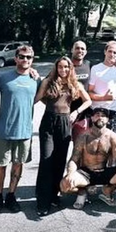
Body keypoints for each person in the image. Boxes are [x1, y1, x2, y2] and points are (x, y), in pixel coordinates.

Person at [34, 56, 91, 216]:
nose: (63, 70)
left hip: (65, 122)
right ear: (56, 68)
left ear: (70, 68)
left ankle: (54, 195)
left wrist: (76, 112)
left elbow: (88, 101)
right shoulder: (48, 82)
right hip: (49, 122)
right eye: (60, 67)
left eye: (66, 67)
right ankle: (42, 201)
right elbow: (36, 99)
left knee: (59, 161)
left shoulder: (75, 84)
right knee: (47, 160)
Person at [0, 45, 40, 215]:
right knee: (0, 165)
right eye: (22, 56)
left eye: (29, 57)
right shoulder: (3, 78)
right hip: (3, 130)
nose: (25, 60)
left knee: (18, 165)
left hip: (24, 132)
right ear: (15, 58)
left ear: (32, 60)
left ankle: (11, 195)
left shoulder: (36, 80)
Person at [60, 107, 116, 210]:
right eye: (97, 115)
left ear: (107, 120)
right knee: (64, 185)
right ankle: (82, 191)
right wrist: (70, 174)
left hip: (104, 172)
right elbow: (74, 159)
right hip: (86, 173)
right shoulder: (83, 136)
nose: (100, 117)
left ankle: (108, 190)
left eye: (103, 116)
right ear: (92, 118)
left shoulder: (112, 136)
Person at [88, 41, 116, 134]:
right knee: (94, 143)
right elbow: (89, 92)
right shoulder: (95, 69)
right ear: (105, 52)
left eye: (115, 52)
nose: (112, 54)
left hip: (114, 111)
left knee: (111, 144)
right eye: (110, 51)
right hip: (97, 111)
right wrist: (104, 98)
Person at [70, 40, 92, 141]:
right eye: (77, 48)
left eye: (82, 48)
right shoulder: (65, 65)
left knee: (80, 147)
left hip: (83, 112)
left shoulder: (88, 65)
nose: (80, 50)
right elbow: (48, 82)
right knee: (62, 146)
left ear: (86, 52)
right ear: (72, 50)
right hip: (66, 112)